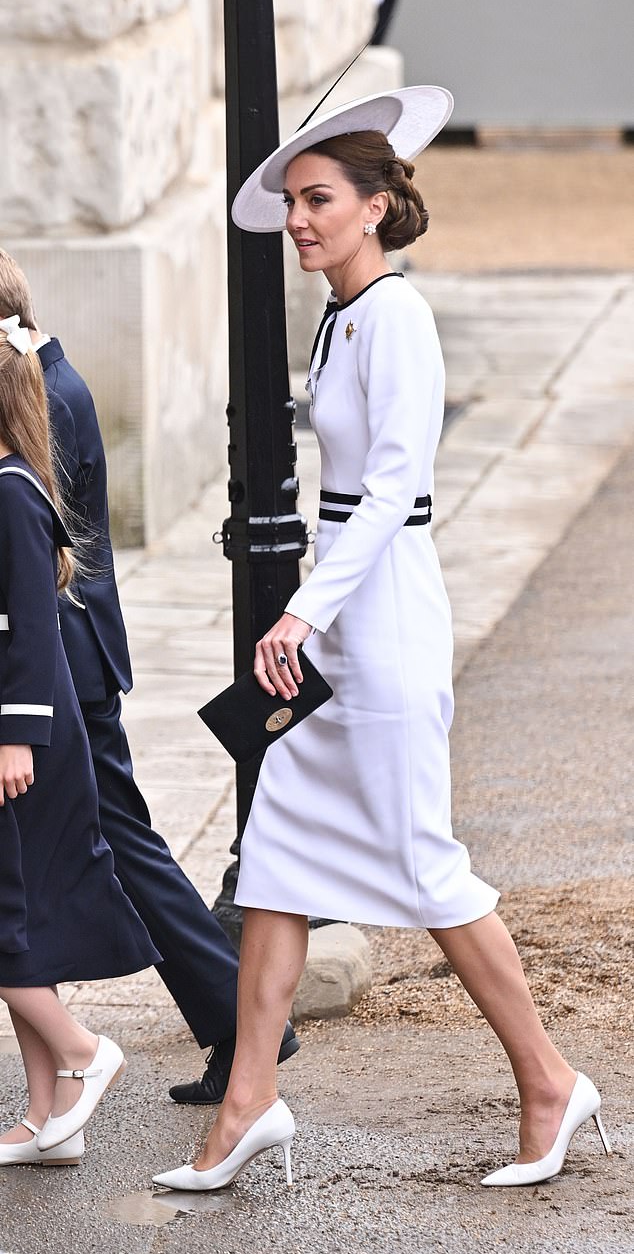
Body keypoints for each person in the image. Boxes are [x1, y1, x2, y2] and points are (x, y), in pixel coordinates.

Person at [153, 85, 612, 1193]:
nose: (300, 219)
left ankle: (551, 1080)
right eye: (295, 202)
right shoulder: (342, 311)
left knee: (422, 865)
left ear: (373, 206)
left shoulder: (395, 314)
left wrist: (304, 608)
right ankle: (248, 1100)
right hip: (346, 614)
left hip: (386, 613)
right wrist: (314, 612)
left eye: (318, 200)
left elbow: (395, 484)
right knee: (274, 858)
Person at [0, 250, 299, 1105]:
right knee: (117, 848)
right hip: (66, 657)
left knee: (123, 849)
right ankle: (224, 1026)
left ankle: (241, 1024)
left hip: (60, 663)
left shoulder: (43, 391)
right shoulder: (52, 379)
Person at [0, 320, 161, 1166]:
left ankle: (85, 1052)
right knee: (21, 930)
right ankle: (46, 1117)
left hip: (19, 741)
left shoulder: (12, 491)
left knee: (8, 926)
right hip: (14, 736)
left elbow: (30, 628)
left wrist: (14, 738)